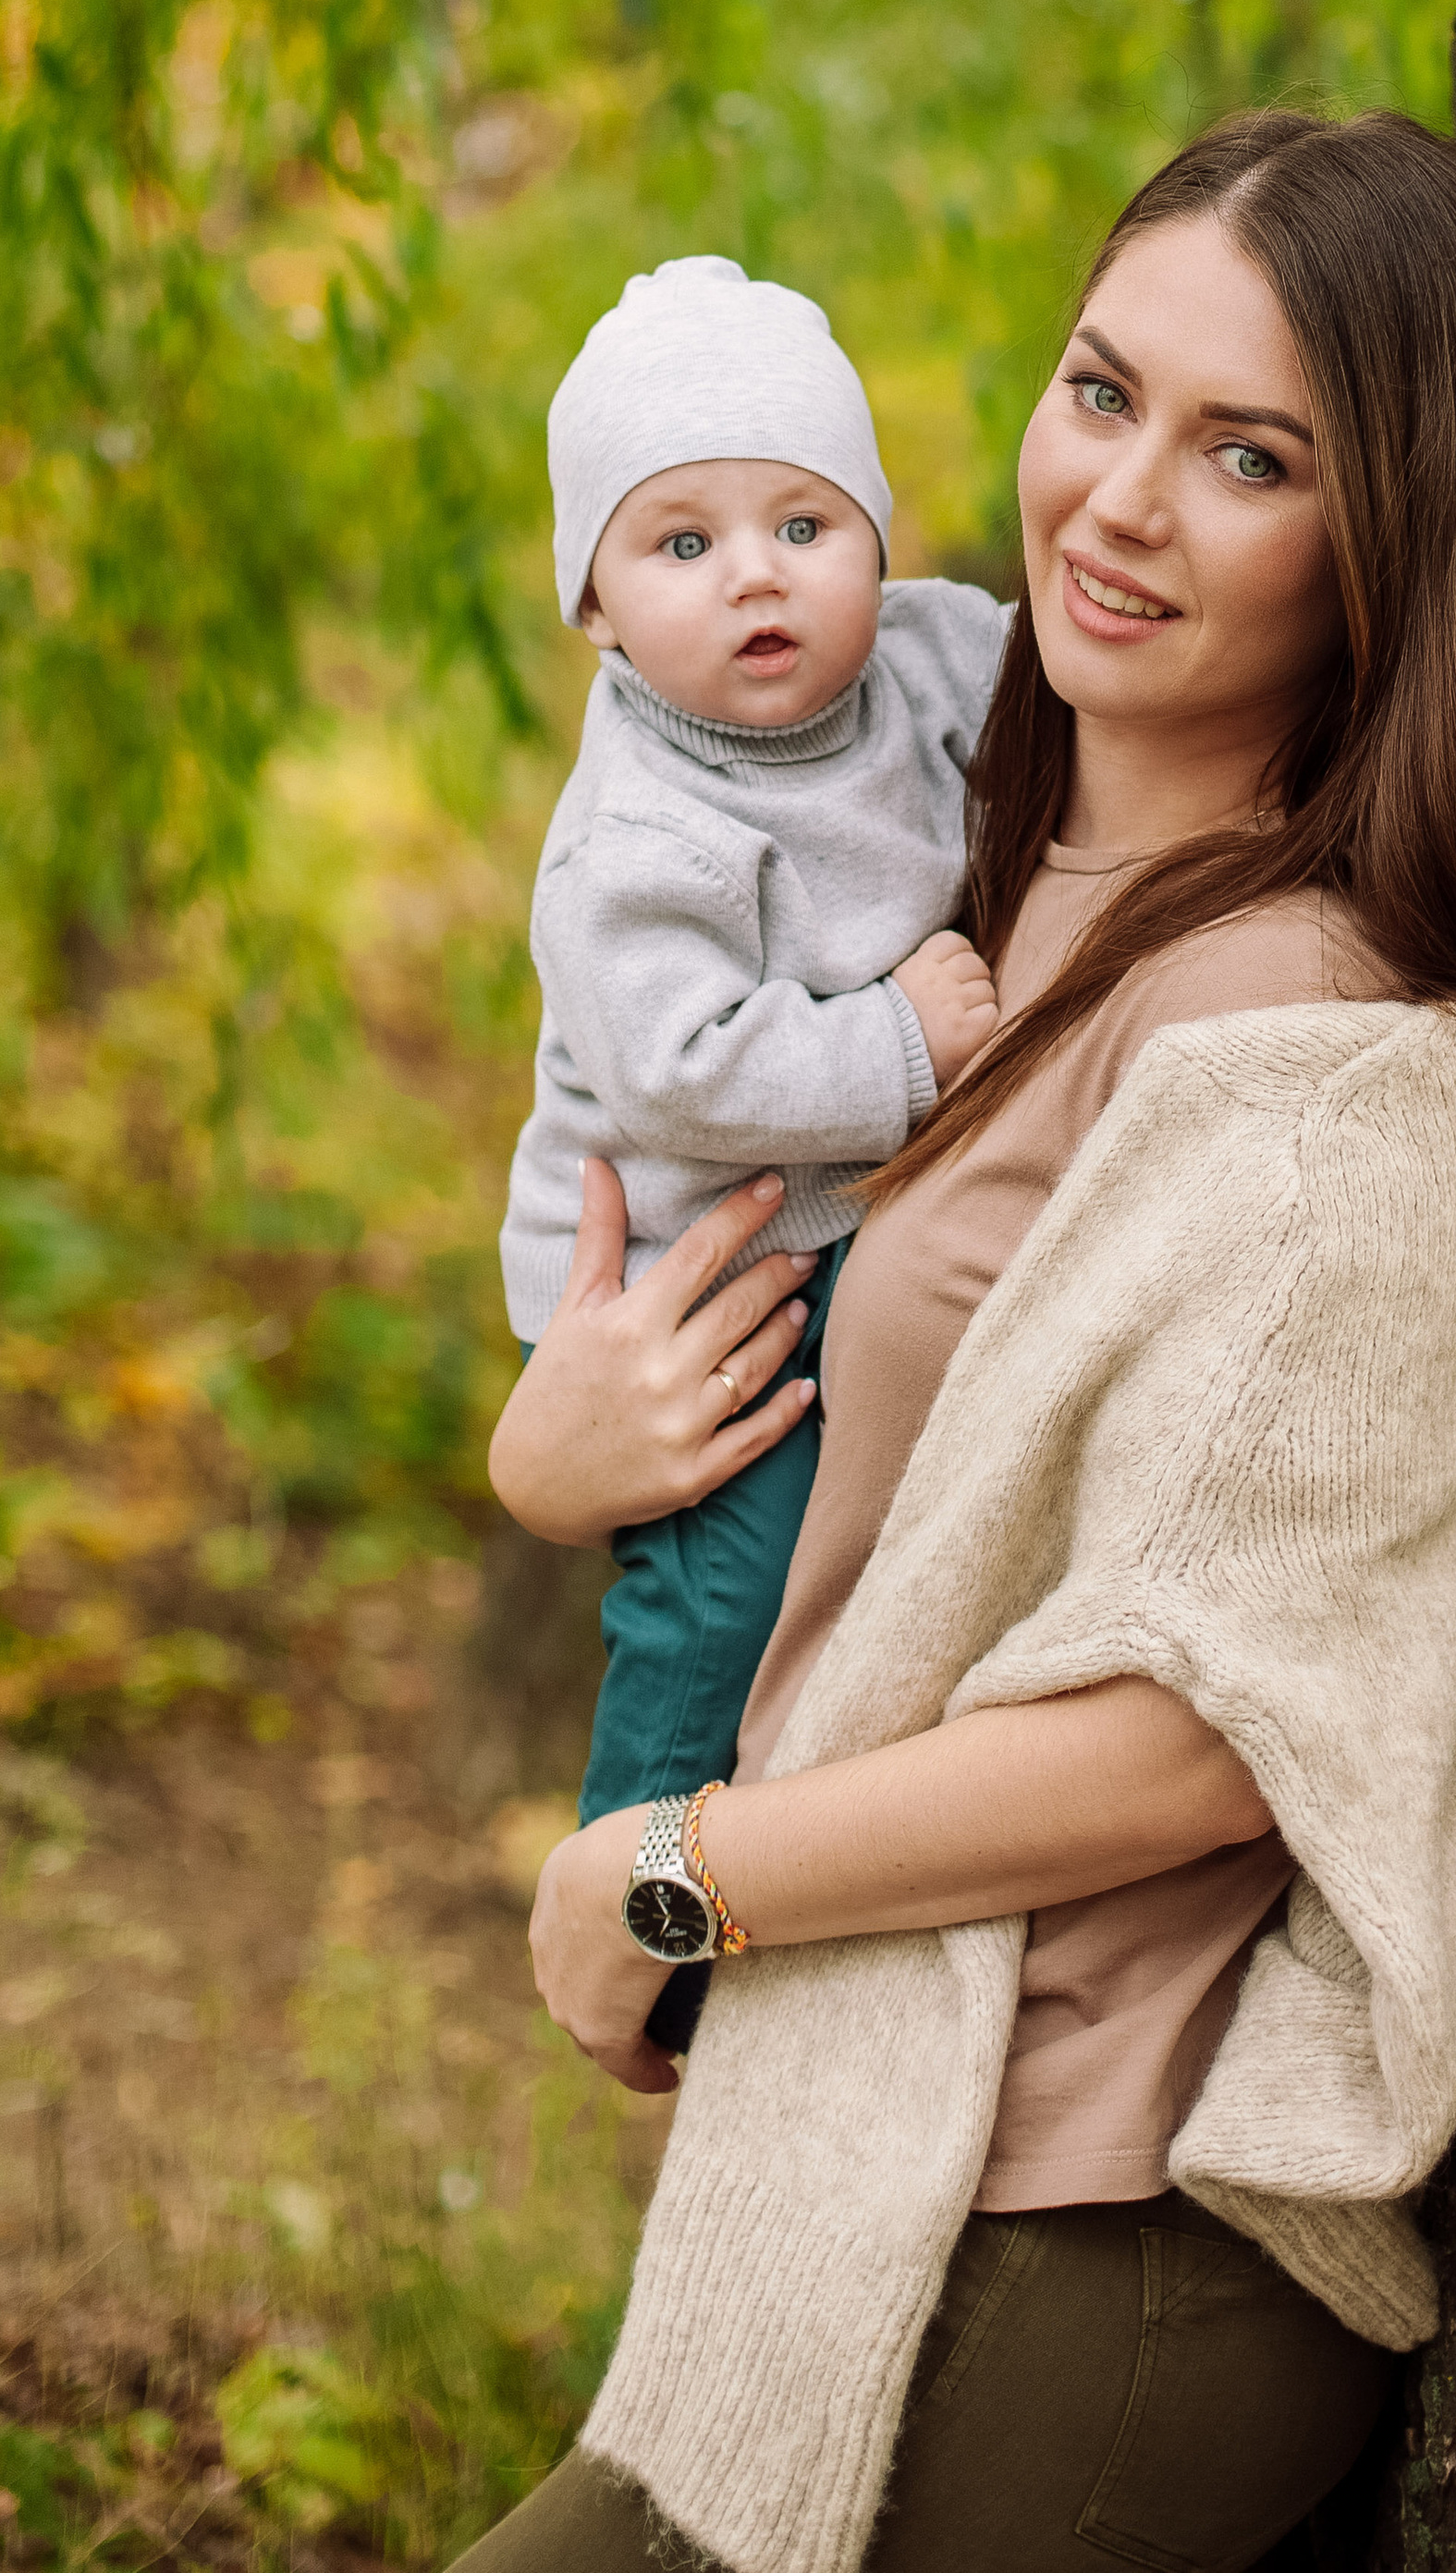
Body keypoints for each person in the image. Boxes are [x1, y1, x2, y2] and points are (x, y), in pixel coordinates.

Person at [464, 109, 1456, 2573]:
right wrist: (561, 1453)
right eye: (1102, 391)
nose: (1118, 500)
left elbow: (1209, 1731)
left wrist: (668, 1874)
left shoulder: (1331, 1042)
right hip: (880, 2149)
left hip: (1107, 2206)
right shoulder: (967, 876)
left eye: (1249, 456)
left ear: (1396, 539)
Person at [499, 253, 1006, 2042]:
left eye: (806, 520)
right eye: (682, 541)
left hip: (838, 1206)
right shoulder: (639, 831)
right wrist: (903, 1044)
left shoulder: (934, 652)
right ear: (598, 605)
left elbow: (1066, 701)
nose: (757, 573)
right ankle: (640, 1924)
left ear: (876, 533)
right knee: (726, 1592)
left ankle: (810, 1888)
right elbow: (682, 1071)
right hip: (695, 1270)